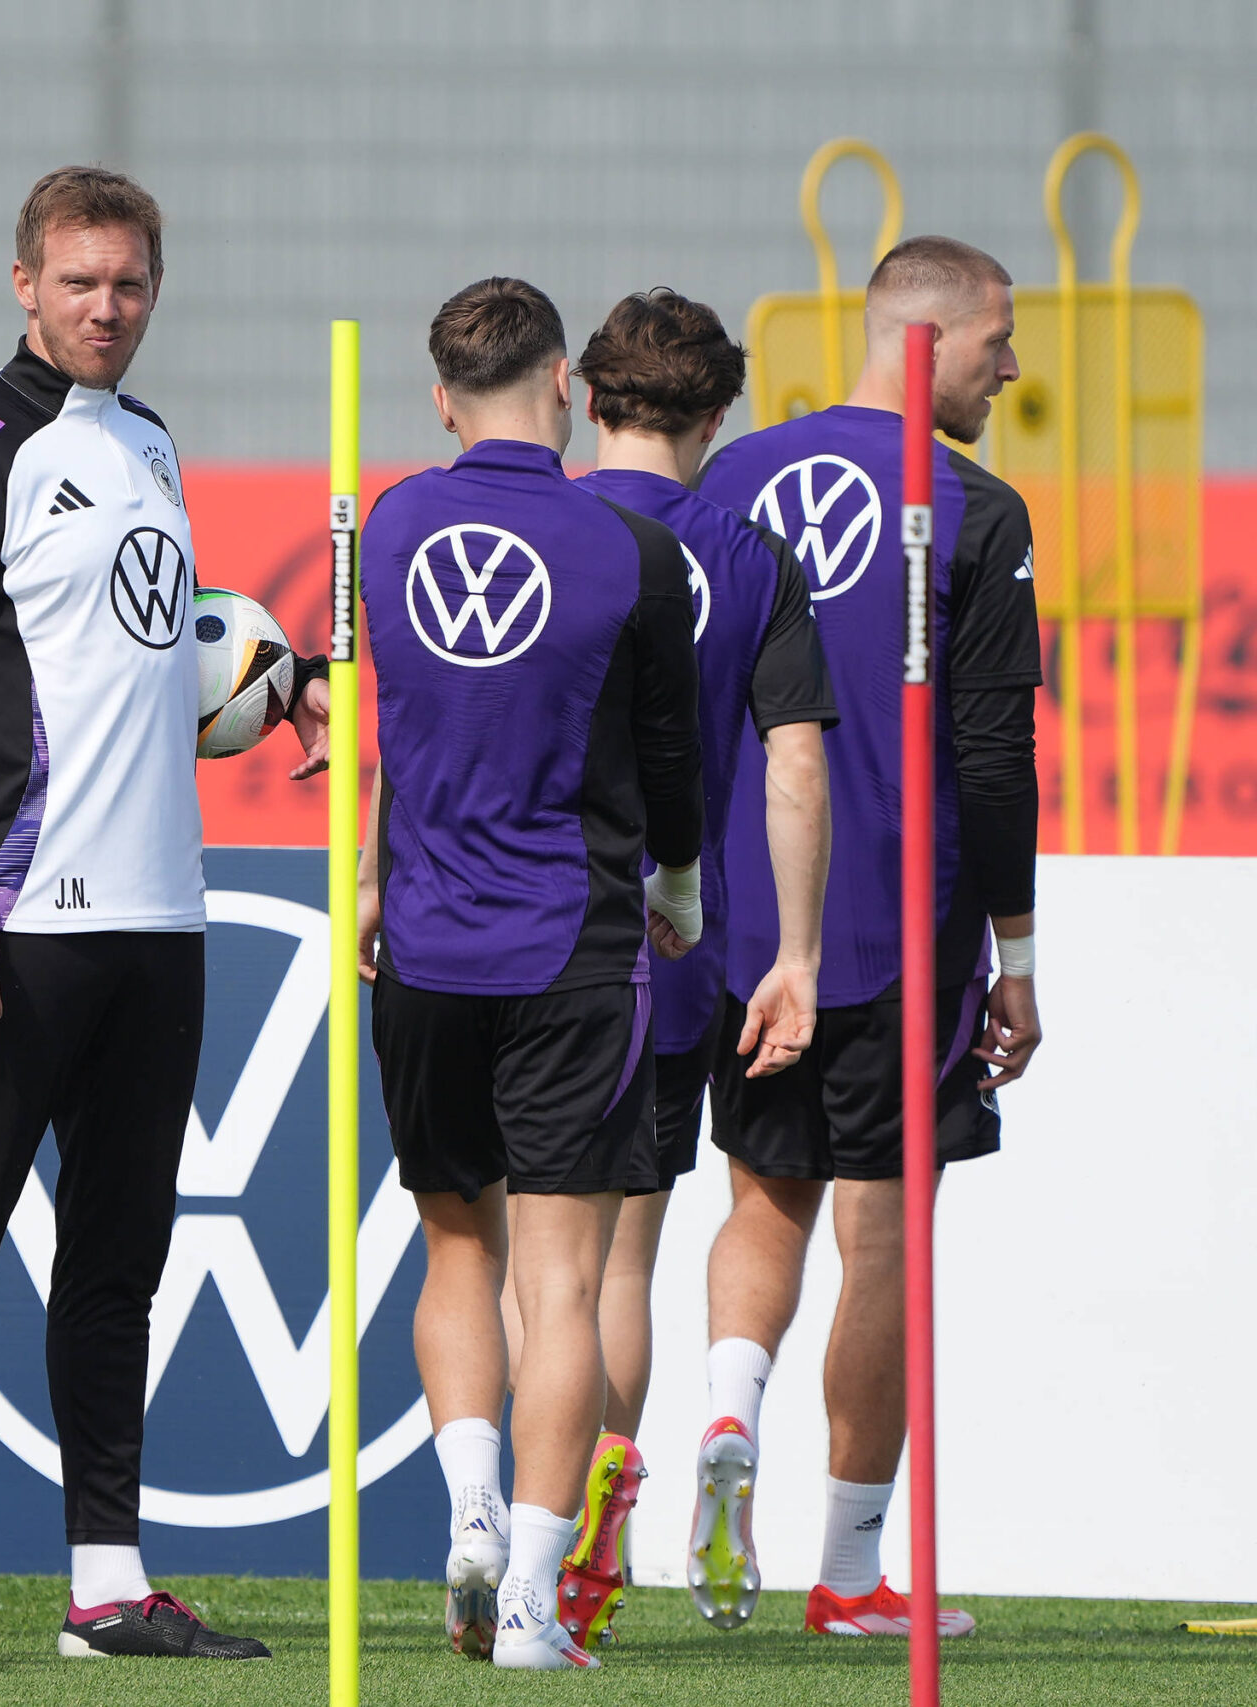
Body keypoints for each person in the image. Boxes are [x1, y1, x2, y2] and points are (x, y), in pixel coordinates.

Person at [0, 165, 324, 1666]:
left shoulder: (150, 443)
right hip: (11, 925)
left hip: (160, 924)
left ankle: (105, 1585)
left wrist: (284, 679)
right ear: (24, 282)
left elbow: (151, 666)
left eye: (128, 282)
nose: (105, 307)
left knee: (119, 1262)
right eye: (78, 281)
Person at [691, 235, 1043, 1640]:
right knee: (882, 1228)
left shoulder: (729, 477)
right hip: (905, 919)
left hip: (749, 919)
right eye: (997, 340)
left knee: (758, 1199)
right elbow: (994, 752)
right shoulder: (975, 504)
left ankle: (727, 1410)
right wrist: (1018, 953)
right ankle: (847, 1571)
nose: (1012, 368)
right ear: (930, 336)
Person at [357, 276, 704, 1670]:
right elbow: (671, 759)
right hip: (569, 940)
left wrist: (378, 868)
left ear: (442, 396)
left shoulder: (384, 526)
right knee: (560, 1280)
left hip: (426, 942)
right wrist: (676, 882)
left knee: (457, 1241)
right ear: (563, 381)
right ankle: (527, 1607)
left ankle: (472, 1515)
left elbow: (398, 716)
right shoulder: (624, 548)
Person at [509, 286, 837, 1649]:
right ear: (721, 416)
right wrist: (800, 952)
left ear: (587, 400)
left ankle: (522, 1533)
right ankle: (590, 1545)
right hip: (690, 937)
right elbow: (799, 762)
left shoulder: (550, 529)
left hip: (538, 928)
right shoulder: (754, 555)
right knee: (629, 1261)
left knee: (554, 1269)